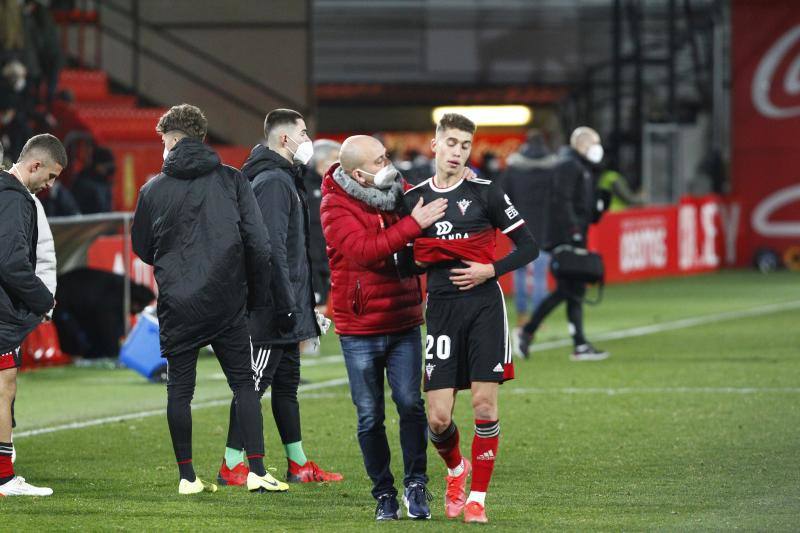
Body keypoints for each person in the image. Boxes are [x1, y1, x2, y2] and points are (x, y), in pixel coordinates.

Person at [131, 103, 278, 495]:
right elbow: (259, 245)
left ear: (173, 139)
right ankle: (257, 470)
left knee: (179, 390)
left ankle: (187, 477)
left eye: (163, 140)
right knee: (244, 384)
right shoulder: (231, 180)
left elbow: (142, 247)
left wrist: (174, 266)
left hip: (178, 303)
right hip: (228, 299)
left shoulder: (152, 189)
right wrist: (255, 295)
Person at [402, 113, 538, 523]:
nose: (458, 151)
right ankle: (456, 470)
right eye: (452, 143)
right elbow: (402, 259)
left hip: (484, 307)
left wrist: (489, 269)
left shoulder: (487, 193)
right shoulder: (415, 199)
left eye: (465, 145)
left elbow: (528, 247)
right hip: (441, 309)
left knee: (483, 404)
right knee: (438, 417)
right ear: (435, 145)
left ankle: (477, 496)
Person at [320, 135, 448, 520]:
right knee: (369, 415)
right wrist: (413, 226)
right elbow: (365, 250)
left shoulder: (398, 190)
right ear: (358, 174)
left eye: (387, 156)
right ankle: (384, 493)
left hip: (403, 318)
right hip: (360, 326)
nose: (388, 164)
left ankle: (416, 485)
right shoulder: (333, 205)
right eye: (379, 160)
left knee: (411, 405)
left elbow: (422, 226)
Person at [218, 108, 341, 488]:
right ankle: (232, 463)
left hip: (287, 304)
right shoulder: (273, 181)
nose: (308, 140)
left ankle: (298, 462)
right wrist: (288, 306)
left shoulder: (282, 177)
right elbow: (268, 251)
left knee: (287, 384)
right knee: (254, 384)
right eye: (303, 133)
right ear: (285, 139)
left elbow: (289, 251)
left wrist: (305, 305)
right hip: (271, 308)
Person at [0, 133, 65, 496]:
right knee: (3, 391)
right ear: (35, 164)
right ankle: (4, 477)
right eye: (51, 176)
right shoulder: (14, 199)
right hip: (1, 316)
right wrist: (43, 299)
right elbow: (9, 260)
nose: (50, 185)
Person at [517, 126, 609, 361]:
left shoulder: (582, 168)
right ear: (583, 144)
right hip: (566, 238)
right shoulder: (570, 166)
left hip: (573, 236)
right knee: (569, 290)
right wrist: (574, 232)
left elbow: (583, 211)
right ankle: (532, 333)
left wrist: (600, 205)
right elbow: (562, 201)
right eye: (594, 143)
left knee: (571, 290)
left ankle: (574, 342)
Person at [501, 130, 559, 354]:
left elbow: (503, 196)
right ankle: (537, 317)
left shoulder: (515, 168)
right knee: (541, 274)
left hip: (519, 227)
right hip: (545, 227)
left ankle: (522, 315)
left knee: (521, 272)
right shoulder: (553, 168)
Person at [303, 139, 340, 312]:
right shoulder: (302, 184)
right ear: (321, 160)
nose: (339, 164)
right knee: (313, 315)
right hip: (308, 262)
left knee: (321, 312)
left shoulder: (335, 186)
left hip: (328, 260)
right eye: (335, 158)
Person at [71, 146, 114, 214]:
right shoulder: (85, 184)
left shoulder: (103, 182)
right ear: (98, 165)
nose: (107, 170)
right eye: (105, 166)